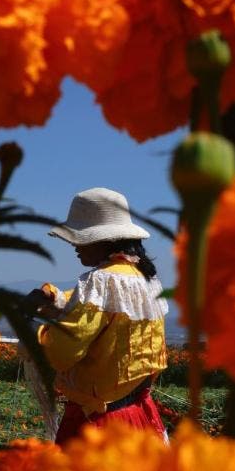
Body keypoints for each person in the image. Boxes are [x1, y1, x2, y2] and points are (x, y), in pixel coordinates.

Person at [27, 187, 169, 445]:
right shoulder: (144, 279)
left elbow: (62, 351)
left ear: (105, 240)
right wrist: (55, 297)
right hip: (137, 415)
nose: (73, 246)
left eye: (80, 238)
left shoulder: (101, 281)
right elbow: (90, 305)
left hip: (100, 425)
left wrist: (33, 328)